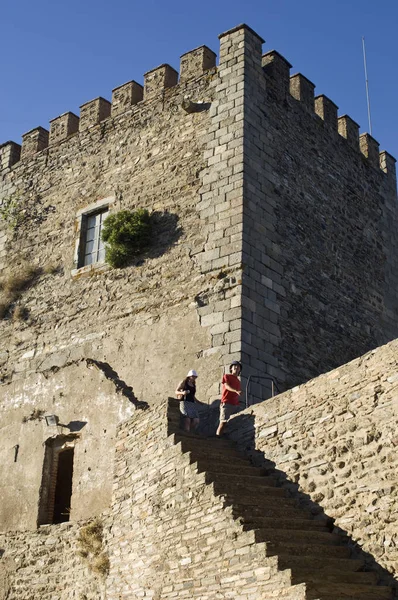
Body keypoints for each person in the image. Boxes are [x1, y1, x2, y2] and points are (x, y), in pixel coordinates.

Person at [216, 361, 242, 437]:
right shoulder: (227, 376)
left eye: (238, 367)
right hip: (226, 402)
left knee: (231, 423)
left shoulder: (238, 381)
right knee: (223, 422)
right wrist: (236, 391)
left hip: (235, 404)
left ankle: (224, 437)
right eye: (234, 366)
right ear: (231, 368)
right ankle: (218, 438)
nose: (236, 367)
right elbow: (226, 386)